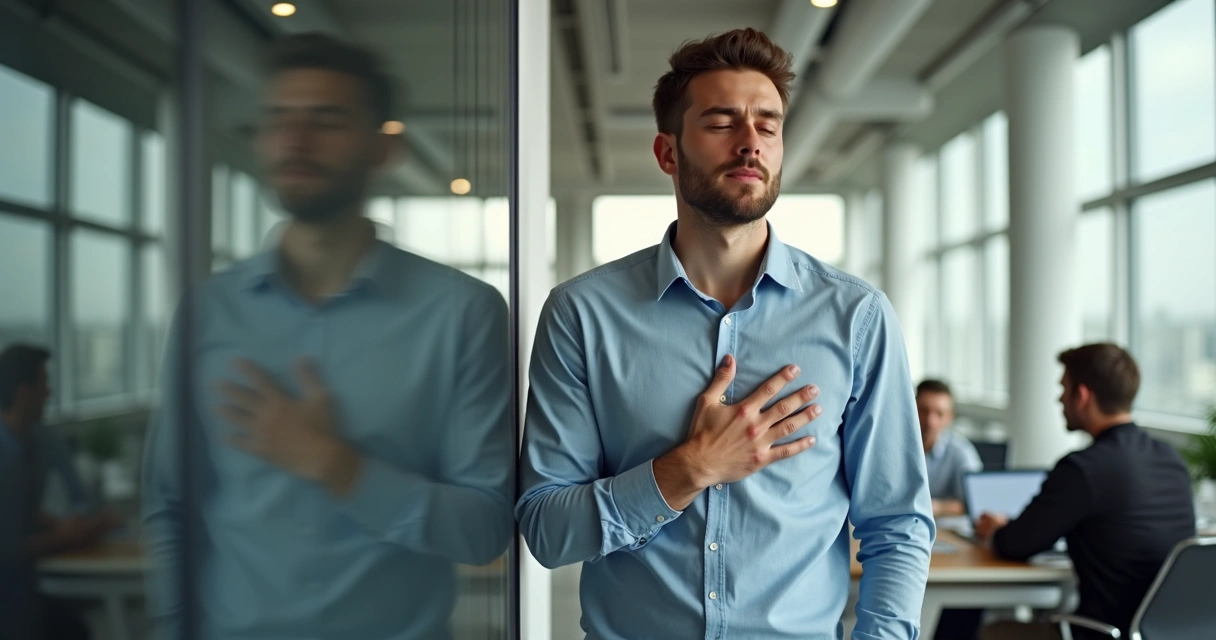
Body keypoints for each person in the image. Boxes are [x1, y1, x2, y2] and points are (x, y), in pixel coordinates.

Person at [517, 28, 934, 639]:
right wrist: (687, 469)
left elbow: (896, 523)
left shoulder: (857, 317)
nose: (750, 143)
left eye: (768, 124)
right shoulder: (582, 314)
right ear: (668, 153)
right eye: (720, 123)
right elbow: (549, 530)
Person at [141, 33, 513, 639]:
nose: (295, 140)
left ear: (381, 149)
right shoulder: (207, 312)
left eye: (326, 120)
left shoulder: (460, 313)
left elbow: (482, 529)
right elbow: (170, 509)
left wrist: (333, 462)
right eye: (279, 119)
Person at [975, 344, 1196, 640]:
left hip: (1103, 633)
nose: (1059, 399)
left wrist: (997, 529)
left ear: (1082, 396)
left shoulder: (1083, 469)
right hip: (1167, 633)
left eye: (1063, 389)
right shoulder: (1171, 459)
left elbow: (1015, 544)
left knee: (995, 633)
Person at [0, 344, 109, 640]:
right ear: (24, 394)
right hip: (10, 587)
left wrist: (69, 525)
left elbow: (78, 499)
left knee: (75, 628)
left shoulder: (44, 439)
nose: (49, 394)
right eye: (44, 385)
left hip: (35, 577)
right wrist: (61, 537)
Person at [917, 379, 983, 518]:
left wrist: (931, 507)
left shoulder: (961, 452)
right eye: (924, 411)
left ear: (950, 417)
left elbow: (974, 502)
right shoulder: (892, 447)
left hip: (944, 529)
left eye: (939, 414)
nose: (930, 421)